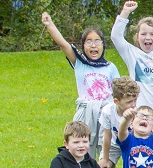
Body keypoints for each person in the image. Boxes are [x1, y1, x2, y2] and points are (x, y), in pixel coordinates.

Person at [41, 12, 121, 158]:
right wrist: (49, 24)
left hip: (106, 112)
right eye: (89, 41)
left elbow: (119, 92)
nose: (93, 45)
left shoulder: (110, 67)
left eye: (97, 41)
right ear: (83, 45)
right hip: (85, 113)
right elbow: (63, 44)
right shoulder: (79, 63)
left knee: (106, 151)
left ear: (103, 45)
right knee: (81, 149)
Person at [99, 77, 140, 168]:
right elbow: (107, 136)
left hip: (133, 144)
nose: (133, 104)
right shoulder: (107, 111)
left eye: (135, 100)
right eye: (129, 102)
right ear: (116, 101)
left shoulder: (138, 111)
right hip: (114, 144)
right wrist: (105, 159)